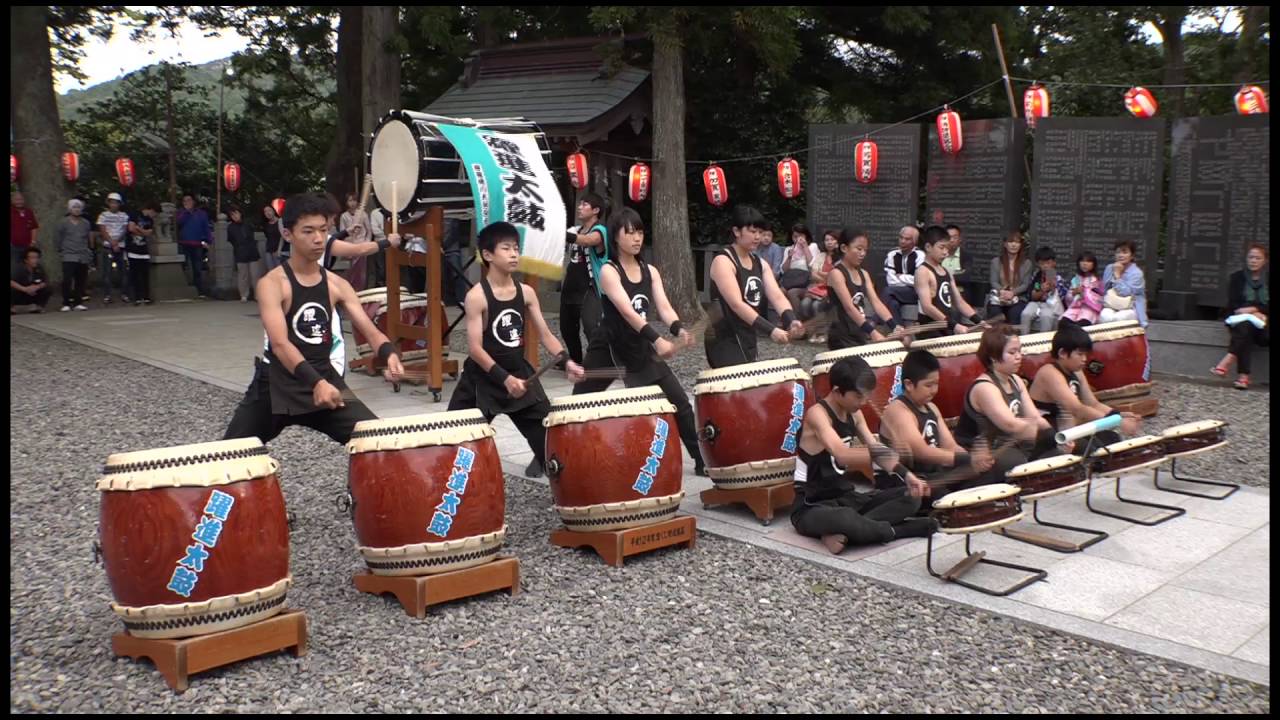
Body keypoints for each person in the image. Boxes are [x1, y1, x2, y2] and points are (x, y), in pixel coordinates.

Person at [223, 193, 404, 445]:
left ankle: (361, 485)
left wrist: (389, 354)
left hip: (325, 378)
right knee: (229, 454)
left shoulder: (337, 285)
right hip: (275, 385)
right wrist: (316, 383)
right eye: (308, 231)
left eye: (323, 230)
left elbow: (369, 330)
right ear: (288, 234)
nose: (318, 239)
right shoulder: (273, 284)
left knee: (378, 443)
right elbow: (280, 344)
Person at [572, 207, 707, 476]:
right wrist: (658, 340)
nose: (636, 238)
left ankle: (702, 460)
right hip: (608, 347)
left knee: (678, 402)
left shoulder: (650, 271)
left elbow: (664, 308)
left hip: (639, 348)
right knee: (580, 406)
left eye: (640, 232)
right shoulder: (609, 271)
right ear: (616, 237)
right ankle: (563, 456)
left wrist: (679, 330)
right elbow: (628, 312)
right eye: (629, 232)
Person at [450, 221, 584, 477]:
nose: (514, 254)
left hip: (519, 373)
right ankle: (454, 503)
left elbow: (546, 335)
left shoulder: (526, 292)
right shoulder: (477, 296)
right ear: (488, 255)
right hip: (482, 380)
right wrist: (505, 379)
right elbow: (475, 349)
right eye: (506, 248)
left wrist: (566, 361)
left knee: (553, 442)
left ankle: (569, 494)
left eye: (516, 248)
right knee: (454, 445)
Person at [790, 356, 937, 554]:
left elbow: (875, 447)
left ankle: (843, 533)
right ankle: (897, 531)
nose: (864, 402)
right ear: (836, 391)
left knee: (911, 496)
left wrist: (908, 476)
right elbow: (842, 454)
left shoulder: (855, 414)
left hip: (847, 498)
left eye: (867, 396)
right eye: (859, 396)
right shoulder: (818, 415)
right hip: (812, 506)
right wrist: (885, 453)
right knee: (845, 518)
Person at [878, 349, 994, 503]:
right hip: (911, 479)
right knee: (946, 495)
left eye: (936, 384)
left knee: (989, 473)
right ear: (909, 384)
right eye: (928, 385)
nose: (934, 390)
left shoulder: (931, 408)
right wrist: (967, 458)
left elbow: (951, 446)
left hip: (936, 474)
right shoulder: (898, 411)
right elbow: (921, 452)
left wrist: (977, 460)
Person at [953, 324, 1060, 488]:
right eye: (1012, 352)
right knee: (1016, 460)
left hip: (1010, 445)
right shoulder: (985, 387)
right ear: (993, 357)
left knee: (1057, 446)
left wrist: (1055, 436)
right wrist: (1040, 432)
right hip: (981, 453)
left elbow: (1035, 417)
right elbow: (1010, 424)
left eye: (1019, 351)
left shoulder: (1015, 380)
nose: (1019, 356)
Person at [705, 205, 803, 368]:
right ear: (737, 232)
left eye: (760, 232)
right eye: (752, 232)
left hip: (747, 333)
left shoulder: (760, 263)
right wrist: (771, 330)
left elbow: (777, 296)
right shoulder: (723, 261)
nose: (757, 237)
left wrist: (791, 320)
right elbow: (736, 304)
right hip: (724, 337)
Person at [1029, 323, 1142, 447]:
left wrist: (1119, 415)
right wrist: (1117, 422)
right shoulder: (1049, 373)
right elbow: (1077, 409)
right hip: (1049, 433)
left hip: (1070, 426)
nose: (1084, 359)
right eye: (1080, 354)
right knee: (1091, 448)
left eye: (1086, 354)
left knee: (1111, 438)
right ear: (1062, 353)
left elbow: (1092, 403)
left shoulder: (1077, 371)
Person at [825, 227, 898, 349]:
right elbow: (849, 307)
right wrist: (873, 332)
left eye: (865, 250)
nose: (863, 253)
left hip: (859, 332)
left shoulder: (864, 273)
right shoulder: (836, 274)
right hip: (841, 335)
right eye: (859, 249)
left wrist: (894, 326)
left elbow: (876, 303)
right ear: (844, 248)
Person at [559, 192, 609, 366]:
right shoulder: (575, 230)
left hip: (589, 287)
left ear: (596, 210)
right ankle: (576, 360)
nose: (580, 207)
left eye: (584, 204)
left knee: (591, 327)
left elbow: (588, 241)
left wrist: (565, 235)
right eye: (579, 204)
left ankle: (599, 362)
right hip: (571, 287)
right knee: (567, 329)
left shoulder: (600, 230)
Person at [1214, 244, 1269, 390]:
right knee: (1245, 327)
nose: (1253, 261)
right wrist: (1251, 313)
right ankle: (1243, 377)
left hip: (1265, 322)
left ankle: (1228, 360)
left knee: (1245, 331)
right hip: (1239, 318)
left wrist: (1255, 309)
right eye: (1251, 257)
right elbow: (1233, 304)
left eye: (1258, 258)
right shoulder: (1237, 278)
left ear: (1265, 261)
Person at [914, 225, 984, 339]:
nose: (946, 252)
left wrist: (979, 321)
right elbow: (927, 306)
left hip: (946, 326)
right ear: (928, 247)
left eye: (947, 248)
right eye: (941, 247)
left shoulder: (946, 271)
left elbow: (959, 302)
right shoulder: (923, 271)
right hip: (930, 329)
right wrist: (954, 324)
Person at [798, 230, 838, 344]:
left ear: (838, 241)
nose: (829, 242)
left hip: (832, 291)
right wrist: (827, 277)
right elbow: (813, 274)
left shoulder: (841, 257)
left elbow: (836, 277)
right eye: (827, 240)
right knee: (804, 304)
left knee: (817, 305)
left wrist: (823, 275)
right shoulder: (821, 255)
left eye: (832, 239)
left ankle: (822, 333)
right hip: (816, 289)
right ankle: (810, 331)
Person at [986, 230, 1033, 324]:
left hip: (1018, 298)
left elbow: (1025, 284)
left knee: (1015, 313)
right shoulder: (996, 262)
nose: (1013, 245)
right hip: (999, 297)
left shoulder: (1027, 263)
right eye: (1011, 242)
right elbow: (994, 282)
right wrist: (1002, 291)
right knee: (995, 312)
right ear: (1005, 244)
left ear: (1020, 245)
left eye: (1017, 242)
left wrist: (1013, 293)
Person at [1099, 240, 1148, 326]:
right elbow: (1104, 289)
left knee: (1119, 318)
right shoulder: (1110, 268)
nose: (1121, 255)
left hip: (1130, 306)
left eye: (1125, 252)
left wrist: (1117, 275)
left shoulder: (1137, 273)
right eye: (1118, 252)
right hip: (1111, 303)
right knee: (1104, 316)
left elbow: (1125, 293)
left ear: (1132, 256)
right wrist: (1113, 272)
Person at [56, 199, 93, 312]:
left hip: (82, 254)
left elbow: (88, 237)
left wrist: (89, 250)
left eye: (78, 207)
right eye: (74, 207)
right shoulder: (63, 222)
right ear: (69, 209)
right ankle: (66, 302)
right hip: (68, 254)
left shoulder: (86, 223)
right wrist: (60, 249)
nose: (76, 210)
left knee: (80, 279)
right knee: (67, 279)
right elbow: (58, 237)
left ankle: (78, 302)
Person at [883, 225, 924, 326]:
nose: (902, 241)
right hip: (896, 292)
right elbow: (891, 281)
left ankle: (874, 320)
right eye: (901, 237)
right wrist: (909, 281)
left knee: (887, 291)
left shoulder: (920, 255)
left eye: (907, 239)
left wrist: (901, 277)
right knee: (892, 303)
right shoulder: (892, 254)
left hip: (915, 293)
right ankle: (899, 330)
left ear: (914, 241)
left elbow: (919, 281)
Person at [1020, 246, 1066, 334]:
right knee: (1025, 314)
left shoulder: (1058, 278)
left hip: (1050, 305)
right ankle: (1023, 339)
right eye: (1042, 263)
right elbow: (1032, 295)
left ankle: (1044, 342)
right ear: (1038, 264)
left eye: (1048, 263)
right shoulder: (1036, 275)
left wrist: (1054, 286)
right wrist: (1042, 290)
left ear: (1054, 263)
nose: (1045, 266)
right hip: (1036, 302)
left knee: (1046, 316)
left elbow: (1063, 297)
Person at [97, 192, 132, 304]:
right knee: (107, 272)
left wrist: (117, 242)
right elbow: (102, 230)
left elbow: (125, 230)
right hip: (108, 246)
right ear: (108, 203)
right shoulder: (103, 215)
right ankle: (107, 295)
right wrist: (112, 242)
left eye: (116, 203)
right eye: (112, 202)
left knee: (123, 271)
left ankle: (124, 294)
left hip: (121, 246)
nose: (114, 205)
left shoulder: (124, 215)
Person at [176, 193, 212, 299]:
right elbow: (179, 223)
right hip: (184, 243)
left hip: (197, 244)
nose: (187, 202)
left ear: (193, 201)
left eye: (189, 200)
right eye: (185, 201)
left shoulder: (201, 214)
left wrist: (208, 241)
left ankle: (199, 290)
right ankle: (185, 289)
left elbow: (206, 228)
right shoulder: (180, 213)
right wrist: (186, 212)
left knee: (198, 267)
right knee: (183, 266)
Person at [226, 205, 262, 302]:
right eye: (232, 215)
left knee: (255, 275)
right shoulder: (230, 227)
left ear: (240, 213)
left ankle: (257, 295)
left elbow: (252, 235)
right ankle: (243, 295)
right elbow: (231, 240)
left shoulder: (248, 223)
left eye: (236, 213)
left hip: (252, 251)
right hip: (240, 252)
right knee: (243, 275)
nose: (235, 216)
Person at [125, 202, 158, 306]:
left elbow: (149, 233)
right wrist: (142, 231)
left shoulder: (150, 220)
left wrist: (139, 229)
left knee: (145, 275)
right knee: (135, 275)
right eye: (154, 213)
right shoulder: (135, 214)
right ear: (151, 210)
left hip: (144, 250)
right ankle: (137, 297)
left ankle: (146, 296)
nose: (154, 216)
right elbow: (130, 228)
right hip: (133, 248)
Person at [339, 192, 373, 291]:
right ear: (346, 202)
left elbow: (369, 230)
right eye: (350, 200)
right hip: (350, 246)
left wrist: (367, 242)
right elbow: (342, 231)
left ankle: (362, 289)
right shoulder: (344, 216)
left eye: (354, 200)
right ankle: (351, 289)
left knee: (362, 269)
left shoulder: (363, 214)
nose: (352, 203)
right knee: (351, 270)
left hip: (362, 244)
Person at [779, 224, 816, 313]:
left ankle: (798, 320)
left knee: (792, 293)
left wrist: (805, 247)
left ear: (806, 236)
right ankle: (783, 319)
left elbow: (812, 265)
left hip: (806, 283)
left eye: (801, 236)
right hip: (791, 280)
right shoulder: (789, 249)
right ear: (792, 237)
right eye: (795, 236)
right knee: (779, 291)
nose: (798, 239)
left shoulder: (812, 246)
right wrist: (789, 257)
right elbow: (783, 270)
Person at [1061, 252, 1103, 327]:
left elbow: (1099, 301)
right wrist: (1073, 294)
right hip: (1075, 309)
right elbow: (1068, 299)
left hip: (1089, 310)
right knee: (1063, 323)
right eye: (1082, 261)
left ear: (1094, 264)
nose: (1084, 264)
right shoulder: (1075, 279)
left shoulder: (1097, 281)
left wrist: (1084, 293)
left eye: (1088, 261)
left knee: (1081, 325)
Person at [10, 246, 51, 313]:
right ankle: (13, 307)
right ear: (25, 260)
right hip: (20, 293)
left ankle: (38, 307)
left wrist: (37, 287)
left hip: (32, 293)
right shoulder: (18, 268)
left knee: (48, 288)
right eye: (32, 258)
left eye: (37, 257)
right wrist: (24, 289)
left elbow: (45, 281)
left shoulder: (39, 268)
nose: (35, 260)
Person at [10, 191, 39, 272]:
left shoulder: (29, 212)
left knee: (28, 266)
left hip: (27, 246)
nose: (19, 202)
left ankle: (27, 283)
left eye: (21, 199)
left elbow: (34, 227)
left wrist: (33, 241)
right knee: (14, 266)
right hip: (13, 246)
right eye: (16, 200)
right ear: (12, 201)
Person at [941, 224, 968, 299]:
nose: (952, 240)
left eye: (955, 237)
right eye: (949, 237)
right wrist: (956, 274)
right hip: (939, 291)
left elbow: (965, 277)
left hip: (959, 292)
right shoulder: (938, 255)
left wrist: (942, 276)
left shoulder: (966, 256)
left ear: (960, 239)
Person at [262, 204, 284, 271]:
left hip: (278, 250)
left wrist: (279, 250)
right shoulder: (266, 225)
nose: (268, 213)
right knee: (271, 272)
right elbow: (267, 237)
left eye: (269, 210)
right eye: (265, 211)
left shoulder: (280, 221)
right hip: (269, 251)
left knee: (279, 271)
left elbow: (283, 236)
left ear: (273, 211)